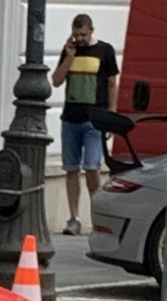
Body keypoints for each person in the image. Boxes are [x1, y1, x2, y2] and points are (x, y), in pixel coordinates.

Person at [51, 13, 119, 236]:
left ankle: (97, 216)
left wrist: (111, 114)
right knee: (71, 170)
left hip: (94, 119)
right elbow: (57, 80)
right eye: (75, 34)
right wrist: (69, 57)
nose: (79, 38)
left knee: (92, 168)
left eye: (83, 34)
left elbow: (111, 83)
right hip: (71, 118)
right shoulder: (69, 50)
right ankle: (74, 218)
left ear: (91, 31)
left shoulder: (105, 51)